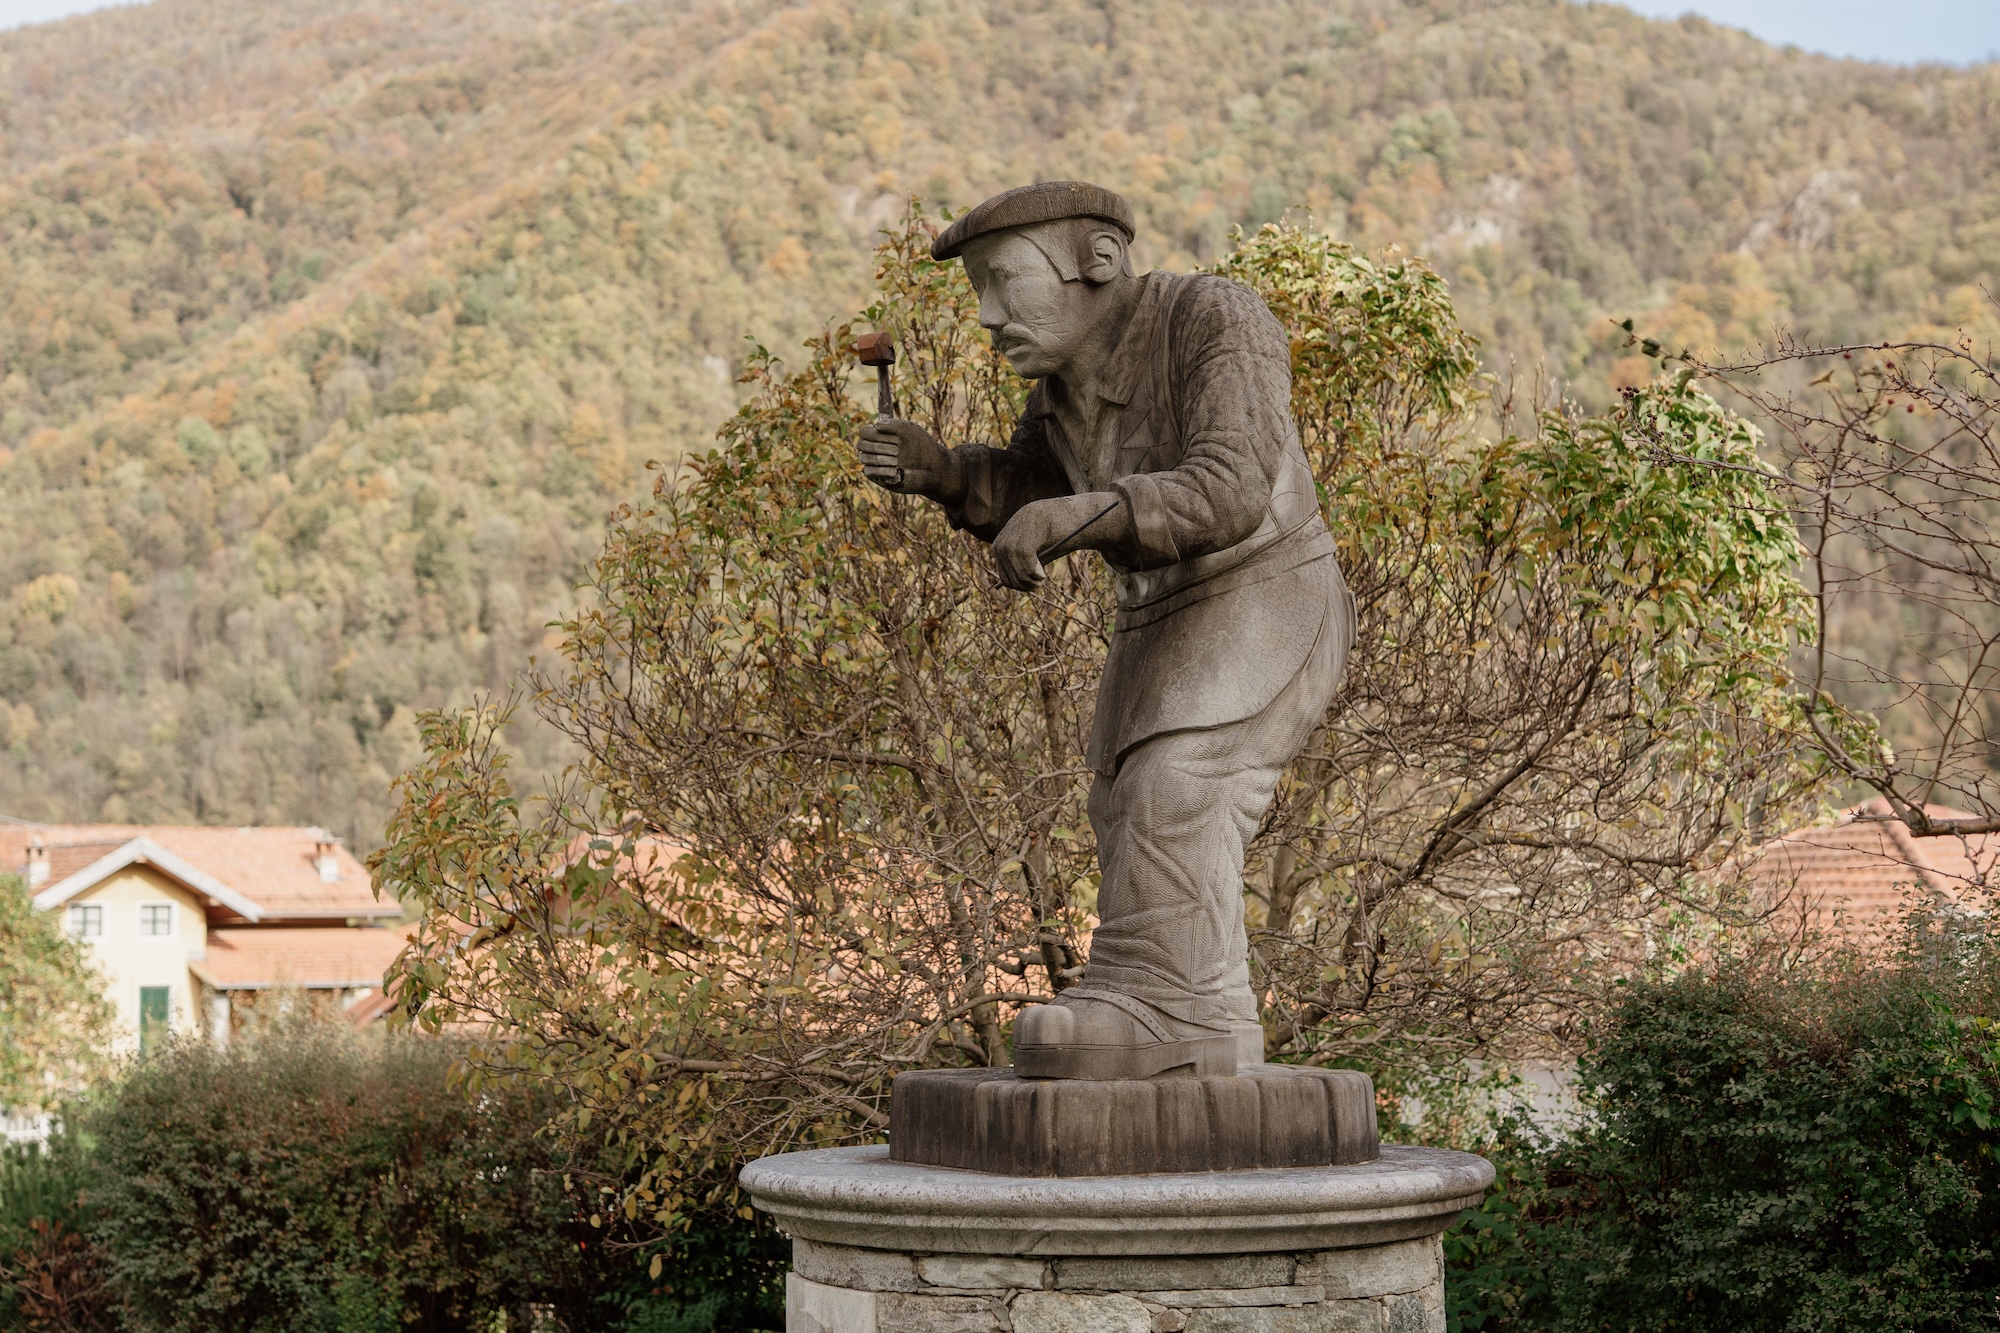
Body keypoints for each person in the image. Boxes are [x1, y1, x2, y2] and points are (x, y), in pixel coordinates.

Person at [856, 181, 1352, 1079]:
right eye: (979, 292)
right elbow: (1038, 492)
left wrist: (1073, 516)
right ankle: (1177, 1003)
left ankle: (1173, 1006)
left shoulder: (1214, 319)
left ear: (1099, 260)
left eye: (1005, 281)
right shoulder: (1060, 388)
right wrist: (946, 471)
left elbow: (1232, 485)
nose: (987, 316)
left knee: (1176, 783)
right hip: (1158, 609)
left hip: (1266, 590)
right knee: (1120, 799)